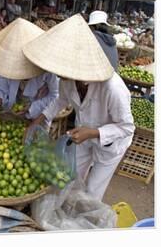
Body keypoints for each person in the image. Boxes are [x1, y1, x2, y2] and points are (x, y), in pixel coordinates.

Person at [22, 14, 135, 201]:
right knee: (72, 177)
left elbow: (127, 127)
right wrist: (37, 122)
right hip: (83, 137)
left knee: (92, 191)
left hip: (110, 145)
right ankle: (67, 212)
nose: (59, 75)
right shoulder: (68, 80)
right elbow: (60, 101)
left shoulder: (113, 88)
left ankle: (84, 222)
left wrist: (92, 133)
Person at [0, 18, 59, 121]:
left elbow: (55, 96)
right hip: (11, 115)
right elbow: (1, 89)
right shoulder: (7, 62)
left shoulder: (46, 68)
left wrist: (32, 108)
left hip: (37, 116)